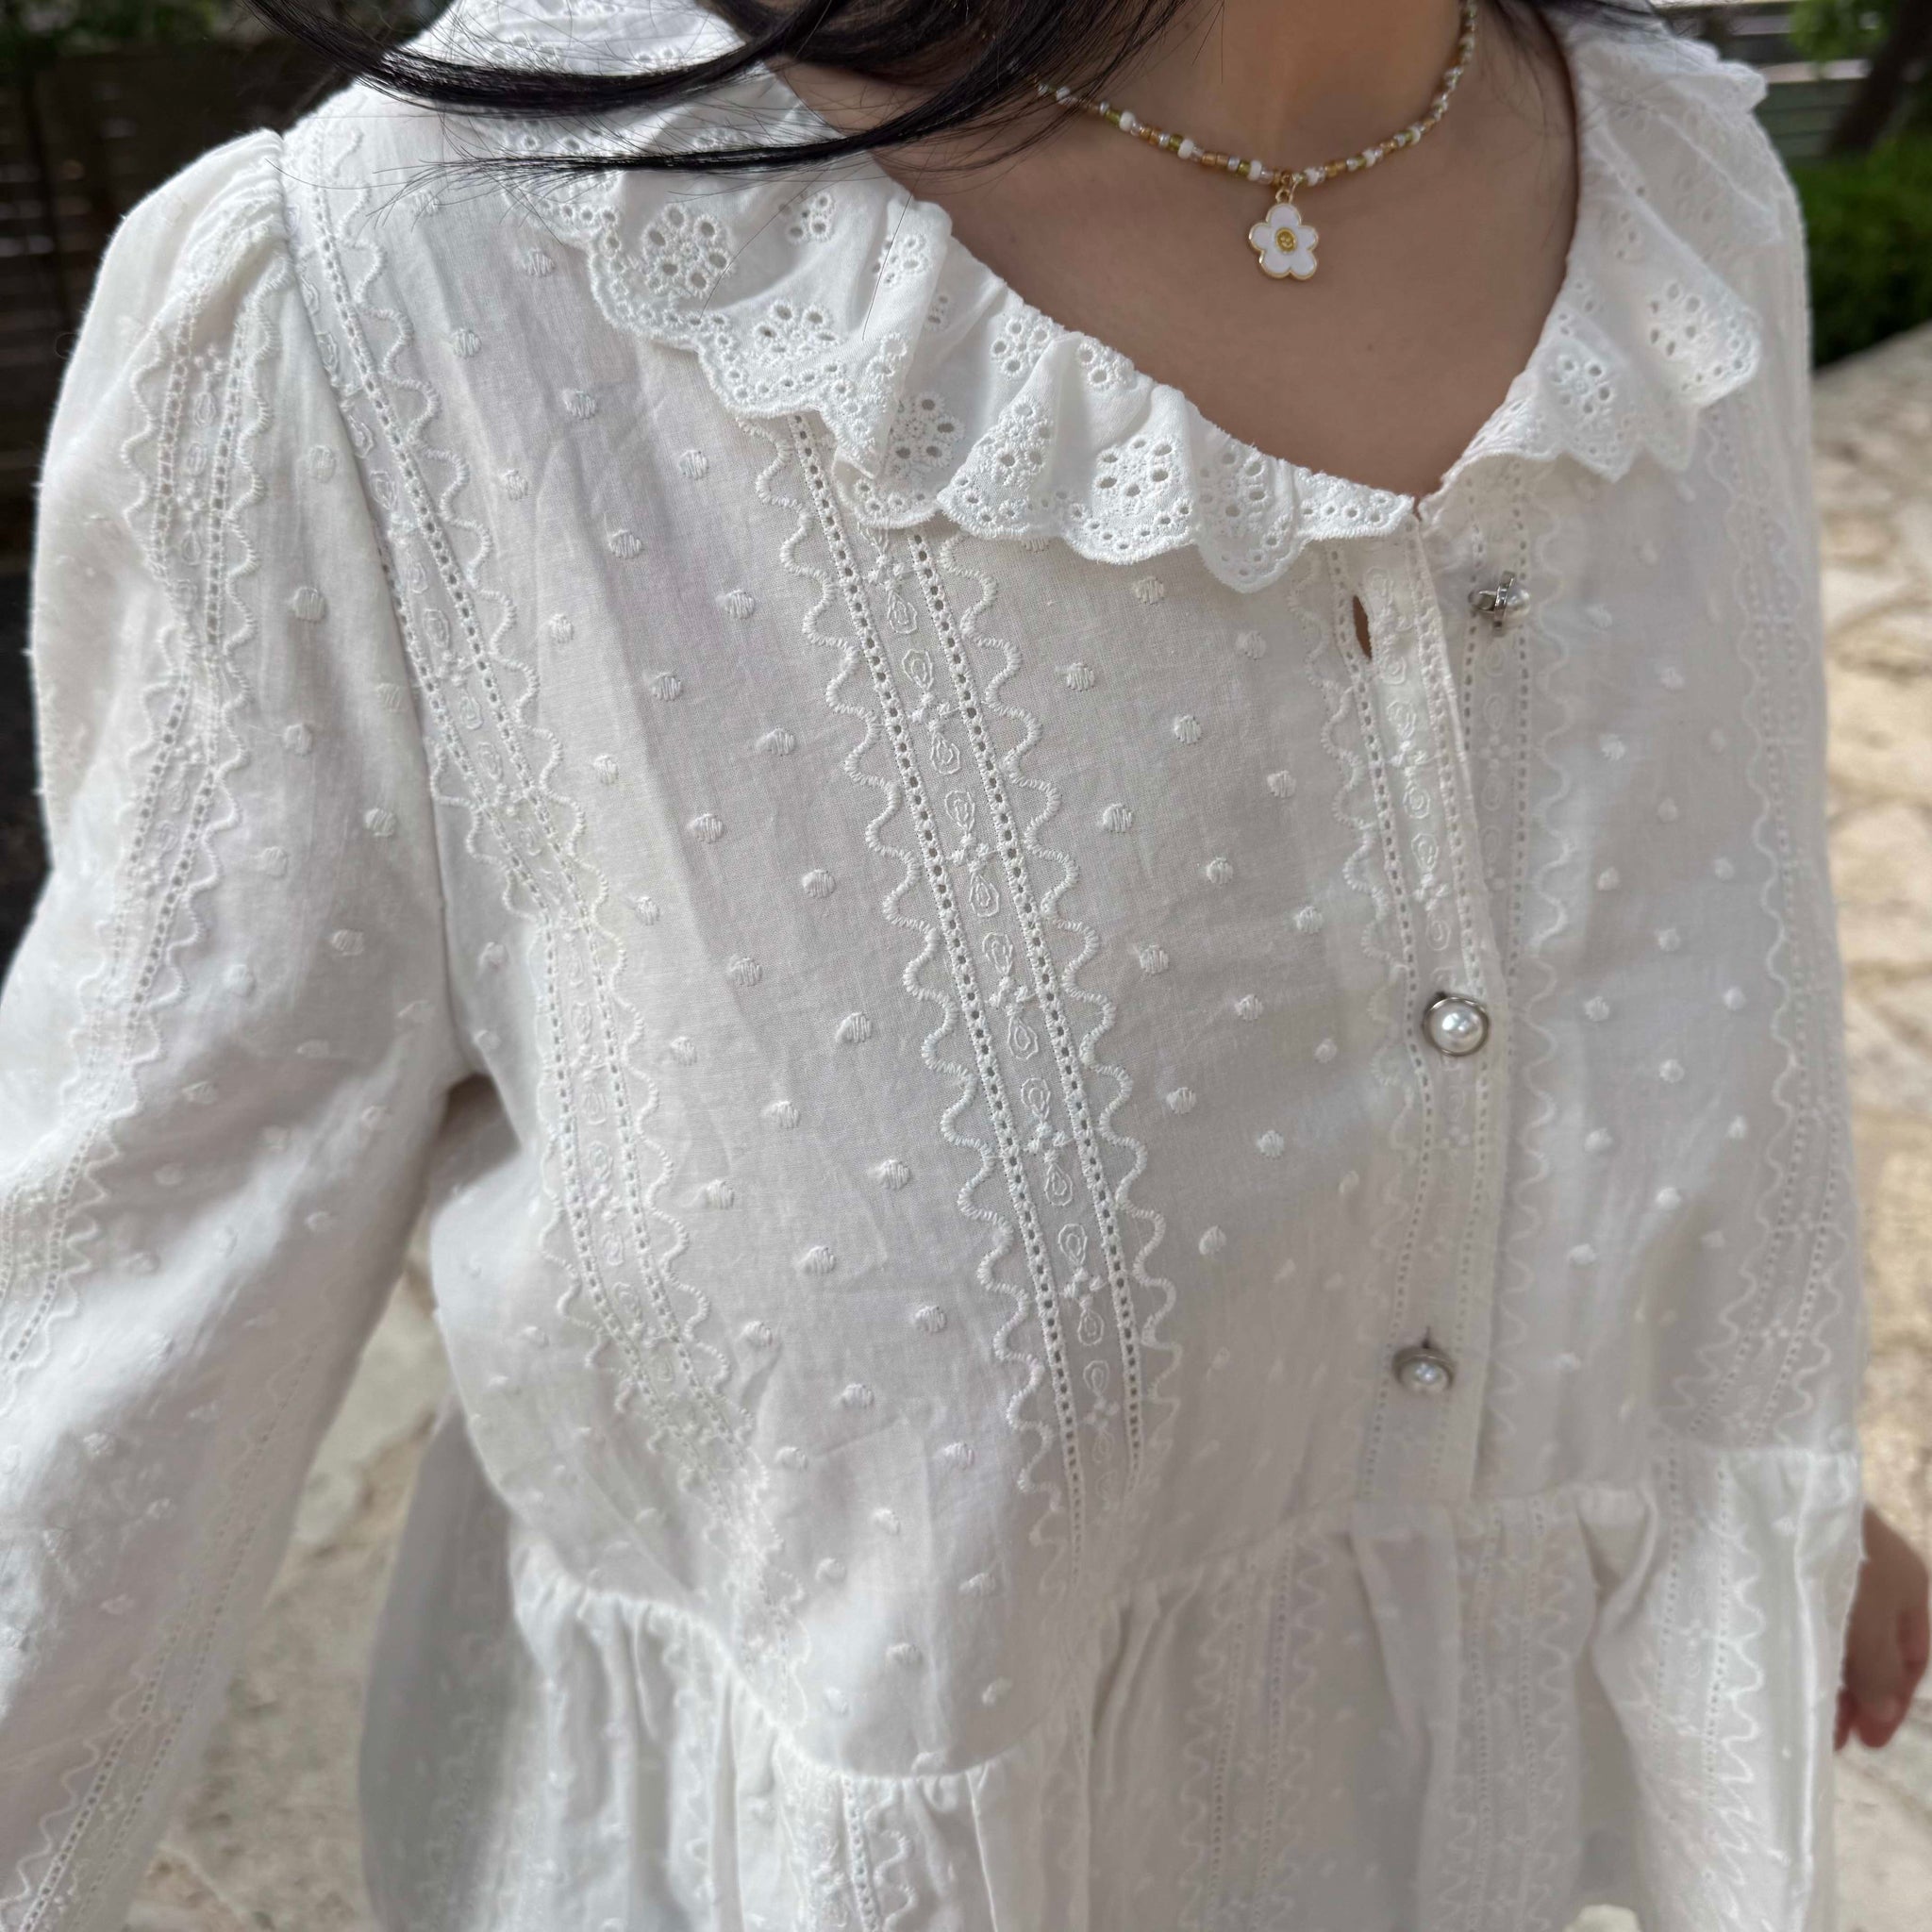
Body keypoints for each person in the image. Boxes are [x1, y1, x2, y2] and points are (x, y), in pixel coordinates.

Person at [1, 0, 1925, 1925]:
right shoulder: (424, 302)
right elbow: (93, 1398)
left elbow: (1635, 1028)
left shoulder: (1681, 220)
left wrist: (1686, 1433)